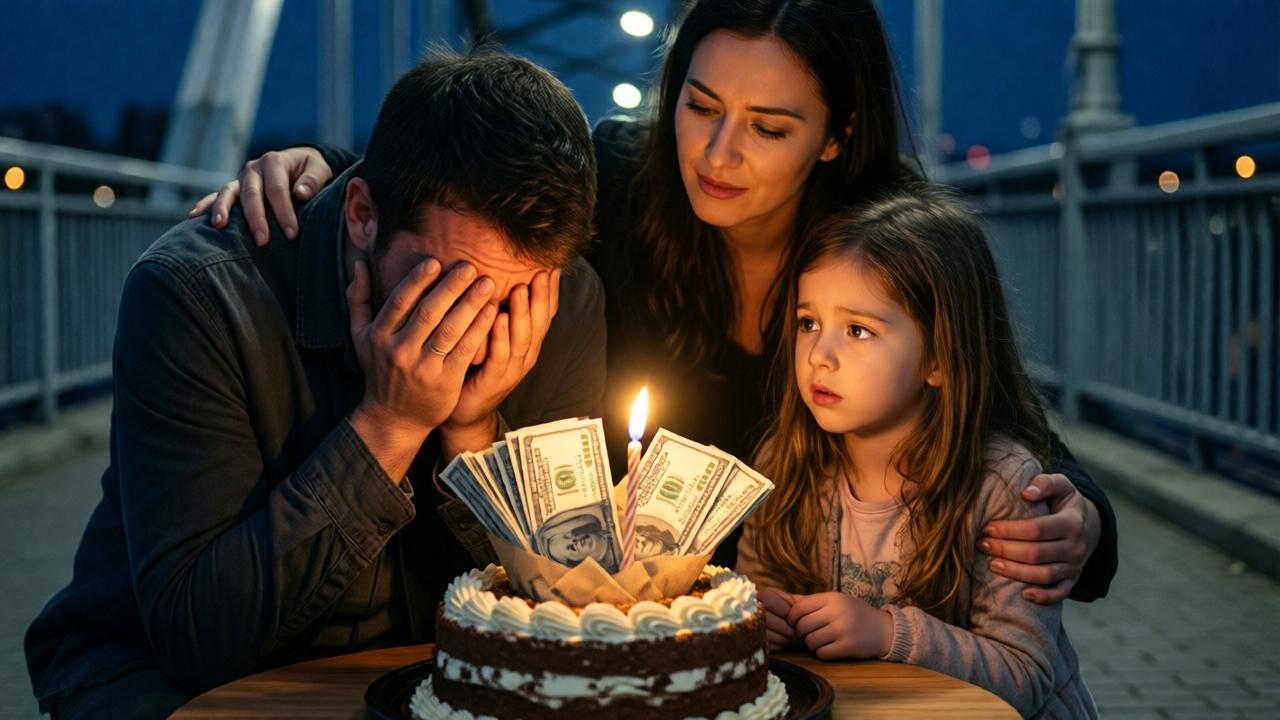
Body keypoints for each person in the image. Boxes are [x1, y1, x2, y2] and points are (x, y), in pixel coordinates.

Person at [191, 0, 1117, 606]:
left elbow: (1025, 443)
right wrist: (328, 186)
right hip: (624, 630)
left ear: (838, 137)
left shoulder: (888, 244)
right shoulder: (623, 177)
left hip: (826, 632)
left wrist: (1083, 527)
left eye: (769, 127)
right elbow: (471, 196)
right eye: (700, 104)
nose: (717, 154)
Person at [26, 51, 606, 719]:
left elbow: (569, 614)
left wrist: (474, 443)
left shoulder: (563, 296)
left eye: (503, 302)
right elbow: (199, 641)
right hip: (162, 677)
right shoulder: (198, 295)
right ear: (362, 214)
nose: (474, 337)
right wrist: (389, 425)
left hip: (416, 671)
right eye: (448, 292)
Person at [736, 186, 1096, 718]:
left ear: (941, 359)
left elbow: (1025, 676)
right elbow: (756, 589)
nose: (820, 355)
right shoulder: (784, 460)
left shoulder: (1000, 485)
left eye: (858, 330)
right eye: (809, 322)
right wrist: (757, 617)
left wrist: (887, 633)